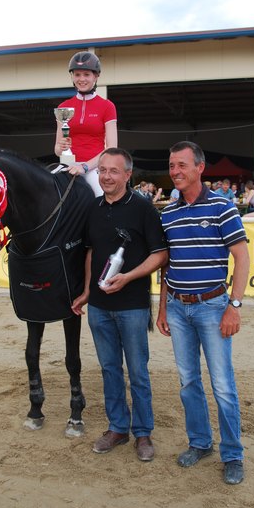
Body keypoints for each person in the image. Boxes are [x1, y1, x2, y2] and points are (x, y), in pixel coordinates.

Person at [156, 141, 250, 485]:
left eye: (182, 165)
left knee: (223, 385)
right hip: (179, 309)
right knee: (188, 382)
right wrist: (164, 307)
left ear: (200, 168)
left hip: (213, 307)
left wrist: (234, 306)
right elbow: (167, 265)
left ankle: (233, 453)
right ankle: (200, 443)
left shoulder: (223, 208)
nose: (175, 171)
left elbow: (242, 257)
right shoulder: (168, 213)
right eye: (171, 166)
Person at [72, 148, 167, 462]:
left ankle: (143, 433)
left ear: (128, 175)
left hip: (133, 306)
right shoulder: (93, 209)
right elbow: (89, 252)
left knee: (138, 372)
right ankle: (117, 428)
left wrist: (127, 277)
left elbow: (160, 254)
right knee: (110, 369)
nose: (106, 176)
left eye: (113, 171)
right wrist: (87, 292)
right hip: (98, 307)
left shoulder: (143, 209)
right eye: (102, 170)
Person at [54, 51, 117, 195]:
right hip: (67, 166)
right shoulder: (63, 107)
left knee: (102, 197)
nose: (81, 79)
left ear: (96, 76)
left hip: (93, 168)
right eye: (77, 74)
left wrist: (85, 167)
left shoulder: (107, 106)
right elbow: (57, 149)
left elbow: (112, 147)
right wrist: (61, 147)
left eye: (86, 74)